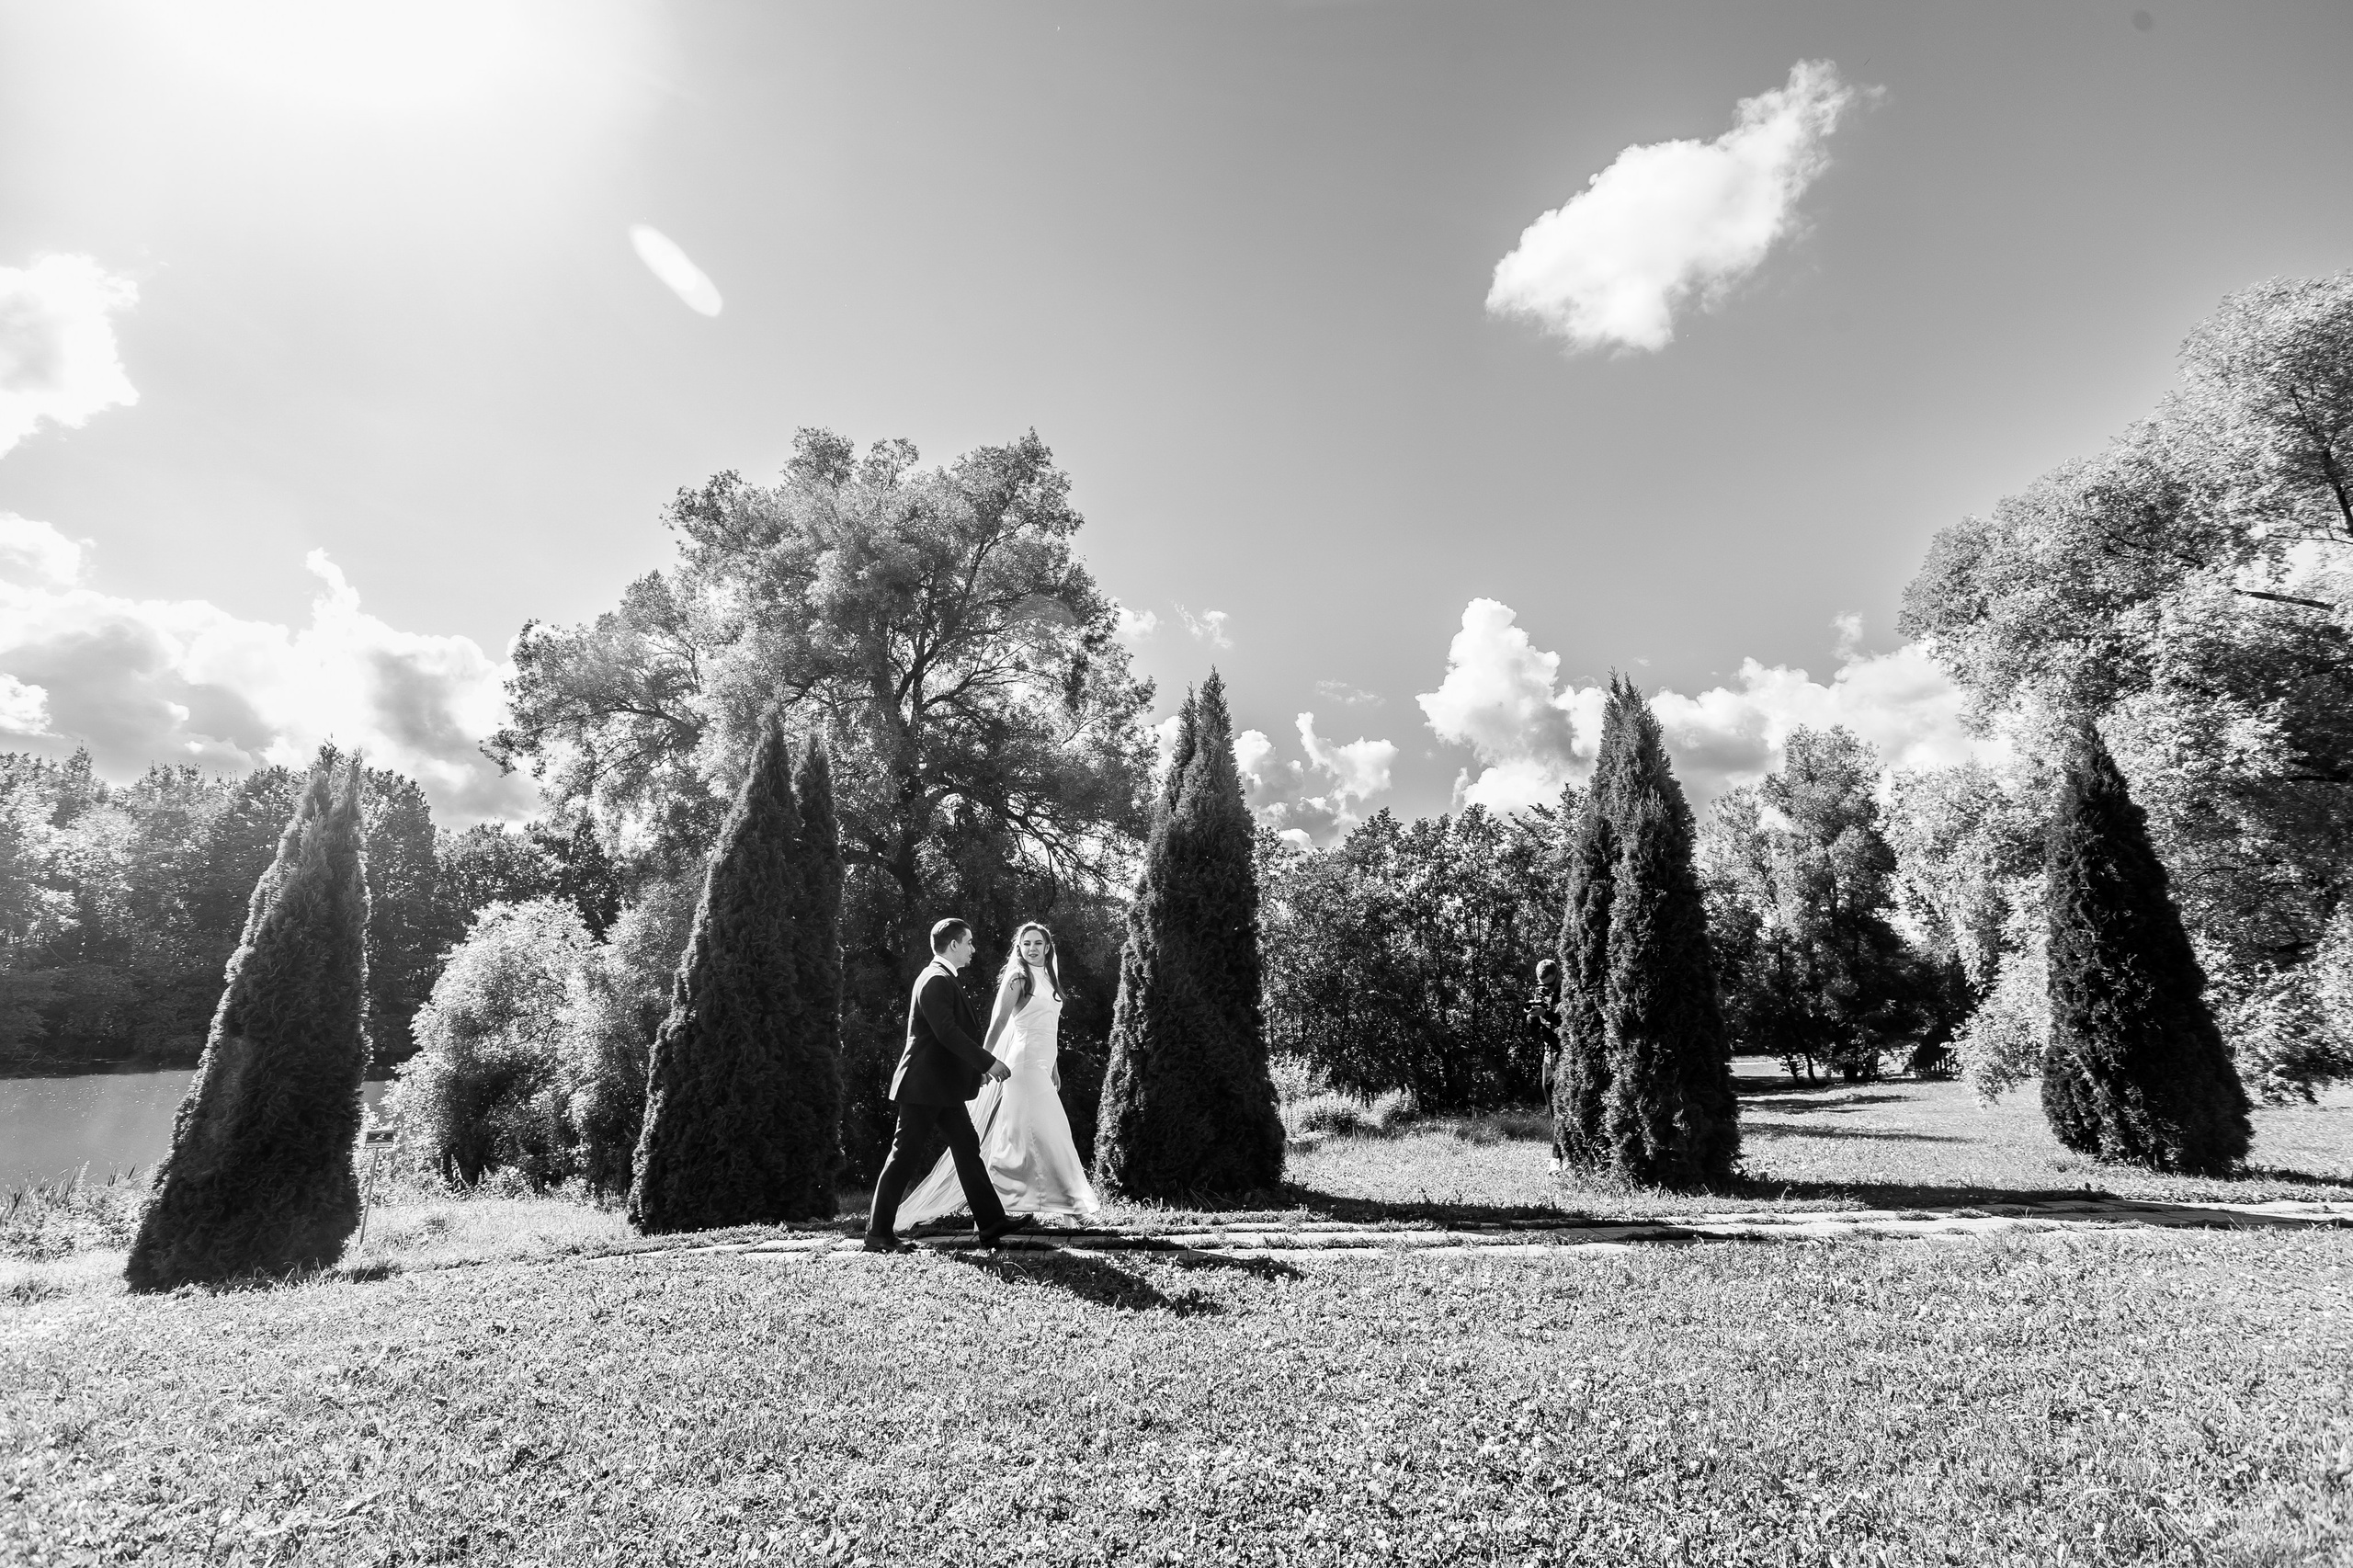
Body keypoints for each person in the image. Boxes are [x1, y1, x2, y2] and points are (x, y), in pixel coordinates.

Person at [897, 921, 1101, 1229]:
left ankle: (995, 1210)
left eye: (1038, 943)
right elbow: (999, 1022)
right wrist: (984, 1063)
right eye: (1026, 943)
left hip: (1043, 1066)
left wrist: (1054, 1065)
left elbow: (1050, 1027)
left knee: (1022, 1139)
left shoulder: (1050, 978)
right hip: (1023, 1067)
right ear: (1019, 948)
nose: (1032, 948)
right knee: (1054, 1135)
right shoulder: (1018, 978)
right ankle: (1071, 1208)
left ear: (1048, 947)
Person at [862, 919, 1036, 1254]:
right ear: (953, 945)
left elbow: (950, 1039)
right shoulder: (935, 979)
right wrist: (987, 1062)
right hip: (923, 1087)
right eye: (969, 942)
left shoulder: (944, 978)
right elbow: (947, 1033)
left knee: (967, 1147)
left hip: (942, 1088)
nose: (973, 949)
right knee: (903, 1157)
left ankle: (992, 1223)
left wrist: (974, 1071)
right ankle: (878, 1235)